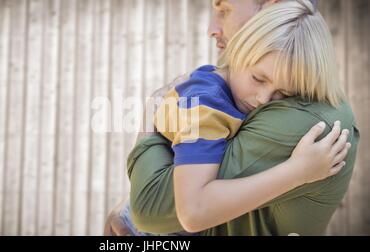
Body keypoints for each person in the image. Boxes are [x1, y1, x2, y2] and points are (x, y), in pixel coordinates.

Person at [104, 0, 360, 236]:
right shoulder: (208, 106)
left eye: (283, 93)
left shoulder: (244, 87)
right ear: (241, 50)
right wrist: (298, 171)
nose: (263, 98)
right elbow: (192, 211)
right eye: (258, 79)